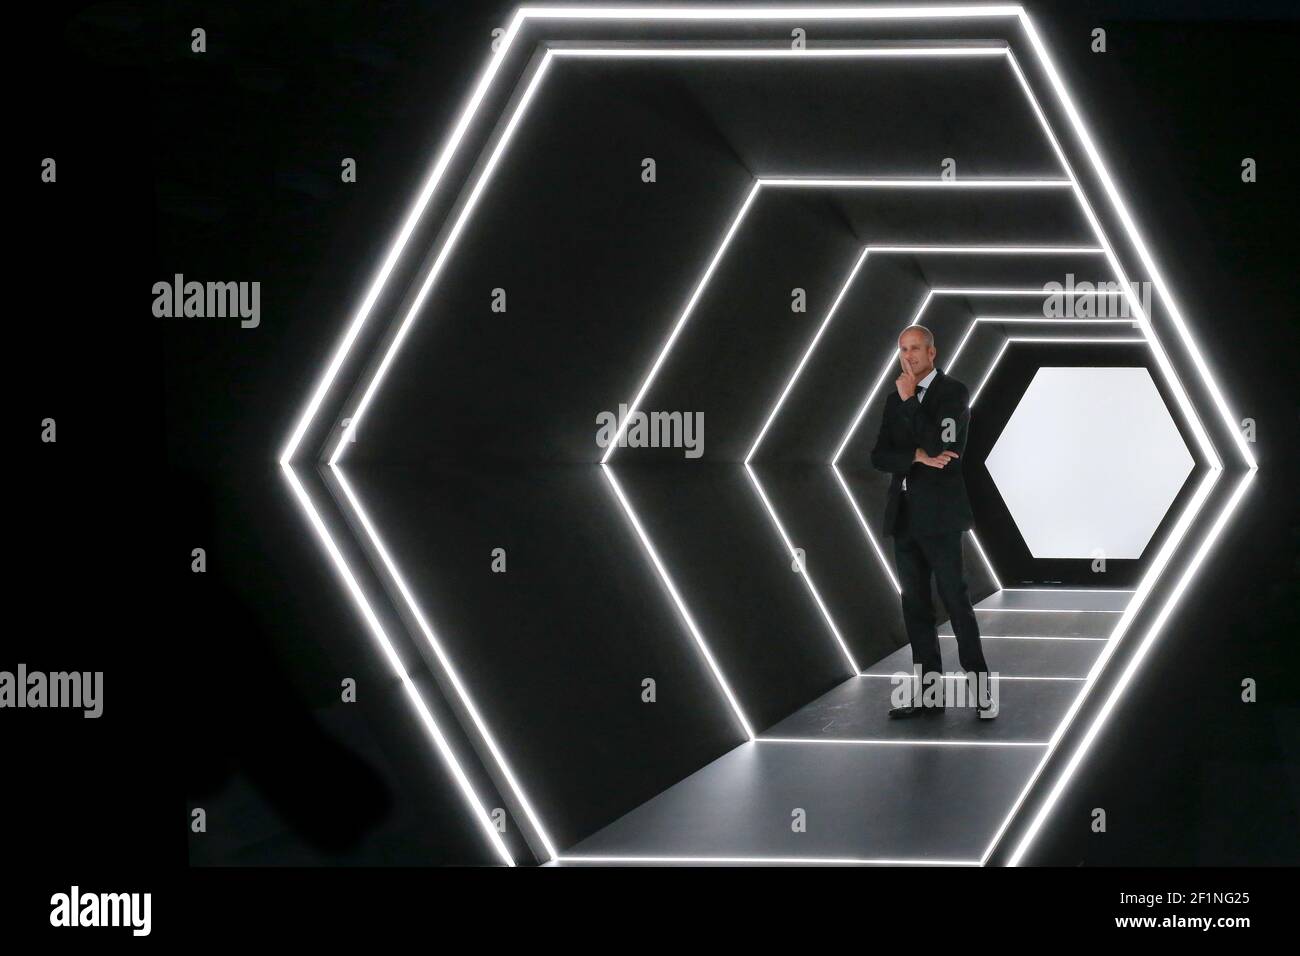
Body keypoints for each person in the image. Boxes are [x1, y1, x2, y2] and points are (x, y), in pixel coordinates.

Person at [870, 325, 996, 720]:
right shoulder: (894, 400)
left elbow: (944, 445)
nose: (909, 356)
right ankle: (929, 697)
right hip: (905, 519)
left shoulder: (952, 393)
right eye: (903, 349)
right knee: (916, 609)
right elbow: (878, 456)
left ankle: (982, 693)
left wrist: (911, 406)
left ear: (932, 352)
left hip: (941, 518)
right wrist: (916, 457)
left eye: (915, 349)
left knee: (957, 603)